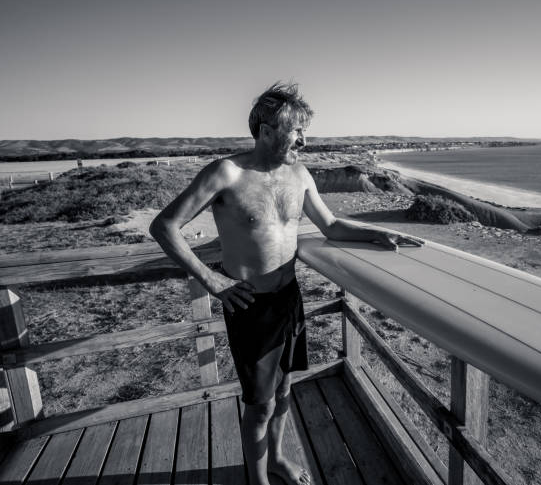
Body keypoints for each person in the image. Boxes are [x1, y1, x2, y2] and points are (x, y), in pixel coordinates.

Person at [149, 82, 422, 485]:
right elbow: (165, 226)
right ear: (266, 131)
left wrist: (375, 233)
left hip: (288, 299)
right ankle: (258, 481)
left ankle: (275, 458)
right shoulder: (227, 173)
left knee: (284, 390)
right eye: (297, 131)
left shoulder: (300, 174)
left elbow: (329, 225)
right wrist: (212, 280)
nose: (305, 141)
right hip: (249, 305)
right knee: (259, 404)